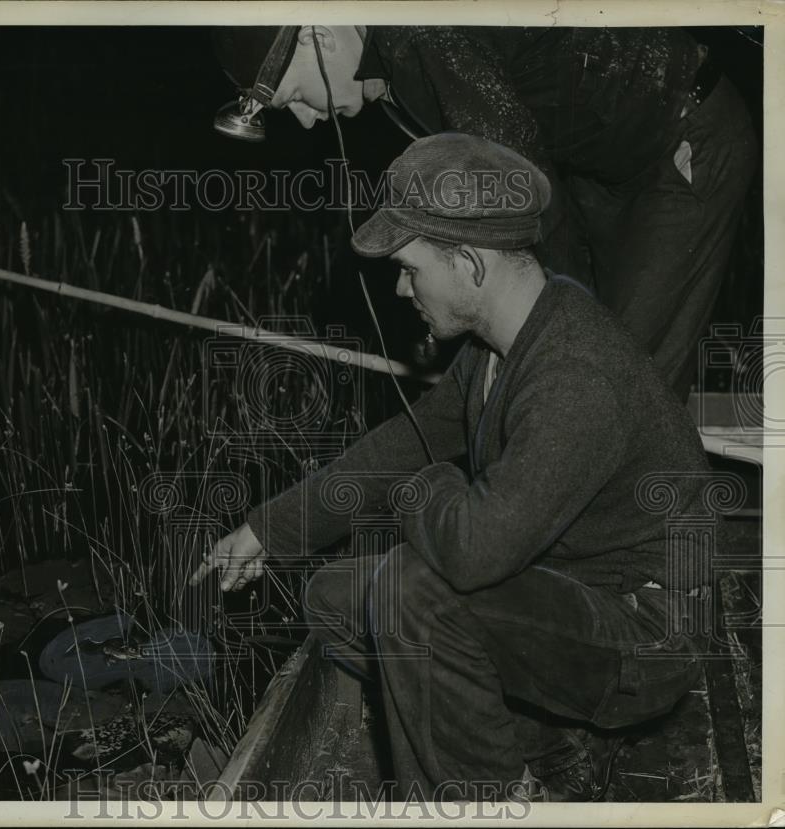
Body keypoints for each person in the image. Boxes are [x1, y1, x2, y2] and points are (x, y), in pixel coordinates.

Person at [191, 133, 713, 802]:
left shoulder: (574, 375)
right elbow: (398, 447)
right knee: (336, 599)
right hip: (574, 585)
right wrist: (266, 531)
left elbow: (469, 552)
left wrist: (428, 487)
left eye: (410, 268)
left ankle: (494, 800)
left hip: (644, 633)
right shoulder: (500, 345)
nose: (402, 288)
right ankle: (541, 746)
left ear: (468, 262)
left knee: (412, 592)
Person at [211, 25, 758, 400]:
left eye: (296, 98)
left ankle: (653, 566)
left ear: (318, 34)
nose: (308, 120)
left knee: (619, 384)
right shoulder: (391, 63)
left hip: (682, 135)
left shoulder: (419, 36)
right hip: (599, 164)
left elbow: (518, 193)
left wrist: (535, 335)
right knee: (577, 370)